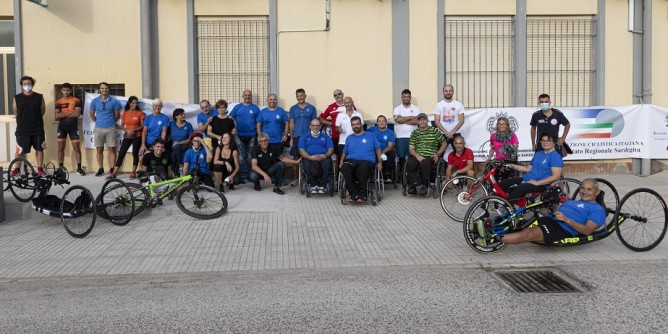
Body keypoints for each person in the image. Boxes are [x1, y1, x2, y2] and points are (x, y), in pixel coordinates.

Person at [491, 179, 605, 245]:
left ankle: (492, 239)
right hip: (550, 219)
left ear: (597, 192)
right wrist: (542, 209)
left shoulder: (597, 210)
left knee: (528, 233)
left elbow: (587, 231)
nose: (585, 192)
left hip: (562, 229)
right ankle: (488, 227)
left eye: (589, 189)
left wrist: (567, 220)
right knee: (517, 221)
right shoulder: (572, 202)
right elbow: (553, 212)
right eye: (582, 188)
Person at [499, 133, 563, 203]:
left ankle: (507, 207)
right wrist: (511, 165)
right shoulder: (538, 154)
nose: (545, 143)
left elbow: (556, 176)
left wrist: (538, 183)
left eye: (549, 141)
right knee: (503, 184)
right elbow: (527, 169)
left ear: (554, 143)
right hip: (527, 179)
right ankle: (504, 203)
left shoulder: (555, 157)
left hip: (542, 184)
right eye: (543, 140)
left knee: (520, 188)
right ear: (540, 142)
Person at [339, 116, 383, 204]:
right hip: (351, 160)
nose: (356, 126)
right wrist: (341, 161)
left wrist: (379, 161)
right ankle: (354, 194)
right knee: (345, 167)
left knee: (362, 167)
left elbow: (378, 149)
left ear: (361, 124)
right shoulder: (349, 138)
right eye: (353, 125)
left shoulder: (370, 135)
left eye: (357, 124)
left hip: (367, 161)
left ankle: (363, 195)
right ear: (351, 126)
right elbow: (344, 151)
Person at [11, 75, 47, 177]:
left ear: (32, 84)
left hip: (37, 129)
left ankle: (40, 169)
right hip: (22, 129)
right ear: (21, 85)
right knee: (19, 150)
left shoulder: (39, 97)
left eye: (29, 83)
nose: (27, 85)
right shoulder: (17, 98)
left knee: (39, 149)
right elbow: (16, 112)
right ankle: (16, 169)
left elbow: (42, 111)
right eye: (25, 84)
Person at [406, 113, 447, 195]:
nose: (422, 121)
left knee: (425, 163)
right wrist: (417, 156)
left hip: (430, 155)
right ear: (417, 121)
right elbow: (411, 148)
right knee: (410, 163)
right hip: (418, 155)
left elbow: (444, 143)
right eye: (420, 120)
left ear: (427, 120)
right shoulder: (415, 133)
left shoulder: (434, 131)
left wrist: (438, 154)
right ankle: (413, 186)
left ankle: (425, 185)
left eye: (424, 119)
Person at [89, 82, 122, 177]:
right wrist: (99, 121)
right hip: (98, 128)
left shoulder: (114, 102)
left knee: (112, 149)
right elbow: (91, 114)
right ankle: (101, 168)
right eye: (102, 88)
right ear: (99, 90)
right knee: (99, 149)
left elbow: (117, 115)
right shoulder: (94, 101)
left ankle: (112, 169)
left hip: (111, 128)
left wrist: (110, 122)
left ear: (109, 90)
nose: (104, 90)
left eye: (106, 88)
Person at [109, 96, 145, 179]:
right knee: (121, 153)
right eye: (133, 103)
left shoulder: (140, 113)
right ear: (129, 103)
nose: (134, 104)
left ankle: (133, 172)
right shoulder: (125, 113)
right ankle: (114, 173)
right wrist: (127, 130)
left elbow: (143, 126)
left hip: (137, 136)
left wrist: (133, 130)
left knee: (135, 154)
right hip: (127, 136)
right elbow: (121, 126)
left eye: (136, 103)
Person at [229, 89, 260, 183]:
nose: (247, 97)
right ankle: (243, 175)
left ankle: (251, 174)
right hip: (239, 135)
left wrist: (259, 135)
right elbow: (230, 118)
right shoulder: (237, 107)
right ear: (242, 96)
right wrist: (232, 129)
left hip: (252, 135)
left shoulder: (255, 108)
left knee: (250, 155)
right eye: (245, 95)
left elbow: (259, 122)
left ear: (251, 97)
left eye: (249, 95)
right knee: (241, 156)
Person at [54, 82, 84, 175]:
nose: (66, 92)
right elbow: (57, 116)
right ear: (61, 91)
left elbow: (77, 114)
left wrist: (63, 114)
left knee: (76, 148)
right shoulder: (58, 102)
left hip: (73, 127)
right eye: (64, 90)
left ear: (70, 91)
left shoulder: (76, 100)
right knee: (61, 148)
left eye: (67, 90)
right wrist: (70, 112)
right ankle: (60, 167)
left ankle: (79, 168)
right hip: (62, 127)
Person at [289, 88, 317, 185]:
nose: (300, 97)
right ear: (296, 97)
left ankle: (309, 176)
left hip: (309, 137)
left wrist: (314, 136)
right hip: (297, 136)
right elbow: (291, 123)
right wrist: (291, 137)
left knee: (309, 156)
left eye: (302, 95)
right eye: (298, 96)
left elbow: (315, 123)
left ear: (305, 96)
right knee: (296, 157)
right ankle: (296, 177)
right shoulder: (293, 108)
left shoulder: (312, 108)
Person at [299, 119, 334, 194]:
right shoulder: (304, 137)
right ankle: (312, 185)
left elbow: (331, 149)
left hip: (323, 157)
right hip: (309, 157)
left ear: (320, 126)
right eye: (313, 125)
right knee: (305, 163)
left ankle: (323, 185)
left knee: (328, 162)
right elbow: (301, 150)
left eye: (317, 125)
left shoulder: (326, 137)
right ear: (310, 126)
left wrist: (325, 155)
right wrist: (309, 157)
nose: (315, 127)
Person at [393, 88, 420, 178]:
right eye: (404, 96)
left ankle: (411, 175)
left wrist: (403, 119)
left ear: (410, 97)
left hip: (413, 136)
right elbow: (397, 120)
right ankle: (402, 176)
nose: (406, 98)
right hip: (400, 137)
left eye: (408, 97)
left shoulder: (416, 109)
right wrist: (410, 117)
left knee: (412, 157)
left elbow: (417, 121)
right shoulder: (397, 109)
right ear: (401, 97)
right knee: (401, 157)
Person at [433, 84, 465, 151]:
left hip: (456, 133)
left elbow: (462, 120)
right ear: (443, 92)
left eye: (450, 91)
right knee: (438, 155)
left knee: (459, 154)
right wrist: (446, 133)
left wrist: (452, 132)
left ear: (453, 91)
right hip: (442, 133)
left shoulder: (459, 104)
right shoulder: (438, 105)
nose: (448, 92)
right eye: (446, 91)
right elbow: (436, 121)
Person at [256, 93, 289, 157]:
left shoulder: (281, 111)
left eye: (274, 99)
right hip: (266, 142)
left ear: (276, 100)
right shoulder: (262, 112)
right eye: (270, 99)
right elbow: (258, 125)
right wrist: (260, 136)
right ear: (267, 100)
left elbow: (287, 123)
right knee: (267, 160)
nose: (272, 101)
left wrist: (285, 135)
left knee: (278, 159)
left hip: (279, 140)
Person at [488, 116, 519, 181]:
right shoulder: (493, 136)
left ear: (507, 125)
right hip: (498, 160)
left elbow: (515, 148)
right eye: (499, 124)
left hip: (509, 160)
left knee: (504, 172)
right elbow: (492, 148)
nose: (501, 125)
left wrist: (503, 149)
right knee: (489, 171)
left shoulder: (512, 135)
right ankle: (493, 190)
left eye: (503, 124)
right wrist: (489, 159)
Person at [367, 115, 396, 182]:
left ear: (386, 122)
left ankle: (387, 174)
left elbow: (390, 146)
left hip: (384, 153)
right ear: (377, 123)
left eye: (383, 121)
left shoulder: (390, 132)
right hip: (373, 152)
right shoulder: (372, 130)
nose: (381, 122)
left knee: (391, 153)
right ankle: (372, 175)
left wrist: (381, 153)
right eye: (379, 121)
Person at [319, 89, 346, 158]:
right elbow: (321, 118)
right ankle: (338, 169)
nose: (337, 96)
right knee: (338, 156)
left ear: (342, 94)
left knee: (348, 155)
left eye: (339, 94)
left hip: (348, 136)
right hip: (336, 136)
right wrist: (331, 123)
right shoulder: (330, 107)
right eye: (335, 95)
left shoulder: (348, 104)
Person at [169, 108, 194, 176]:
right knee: (175, 150)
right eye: (181, 114)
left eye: (183, 114)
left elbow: (190, 139)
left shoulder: (188, 125)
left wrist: (178, 143)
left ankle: (177, 167)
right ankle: (180, 170)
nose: (183, 115)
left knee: (175, 152)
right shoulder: (171, 124)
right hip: (174, 146)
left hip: (185, 145)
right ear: (176, 116)